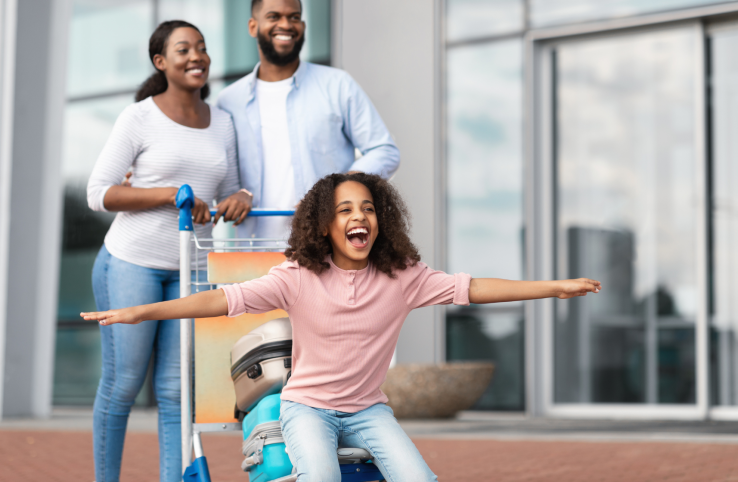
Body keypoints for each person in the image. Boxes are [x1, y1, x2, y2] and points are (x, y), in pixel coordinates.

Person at [82, 173, 601, 482]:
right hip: (307, 409)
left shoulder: (404, 279)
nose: (361, 217)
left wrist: (552, 287)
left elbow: (473, 288)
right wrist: (137, 312)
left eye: (369, 209)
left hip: (369, 411)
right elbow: (222, 300)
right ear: (325, 225)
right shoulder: (297, 277)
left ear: (381, 222)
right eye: (346, 210)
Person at [85, 20, 252, 482]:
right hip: (131, 263)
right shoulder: (139, 117)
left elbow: (233, 186)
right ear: (161, 62)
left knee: (177, 392)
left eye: (201, 47)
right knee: (122, 385)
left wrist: (242, 198)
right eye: (184, 49)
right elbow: (98, 193)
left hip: (191, 269)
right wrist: (165, 193)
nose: (196, 55)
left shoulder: (223, 121)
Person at [217, 0, 400, 240]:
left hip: (324, 246)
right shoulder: (228, 100)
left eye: (294, 17)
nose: (287, 24)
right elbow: (220, 171)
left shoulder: (337, 84)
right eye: (274, 17)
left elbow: (385, 151)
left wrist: (334, 192)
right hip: (253, 249)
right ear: (253, 26)